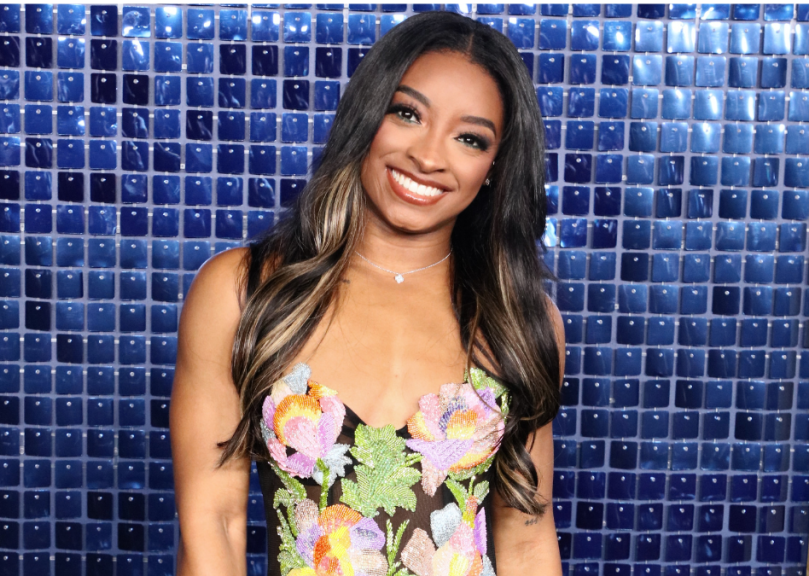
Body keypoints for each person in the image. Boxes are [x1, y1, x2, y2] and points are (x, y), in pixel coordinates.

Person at [171, 11, 566, 576]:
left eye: (469, 138)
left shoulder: (519, 322)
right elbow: (214, 523)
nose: (428, 157)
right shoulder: (245, 292)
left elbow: (527, 537)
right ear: (366, 116)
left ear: (495, 167)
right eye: (407, 113)